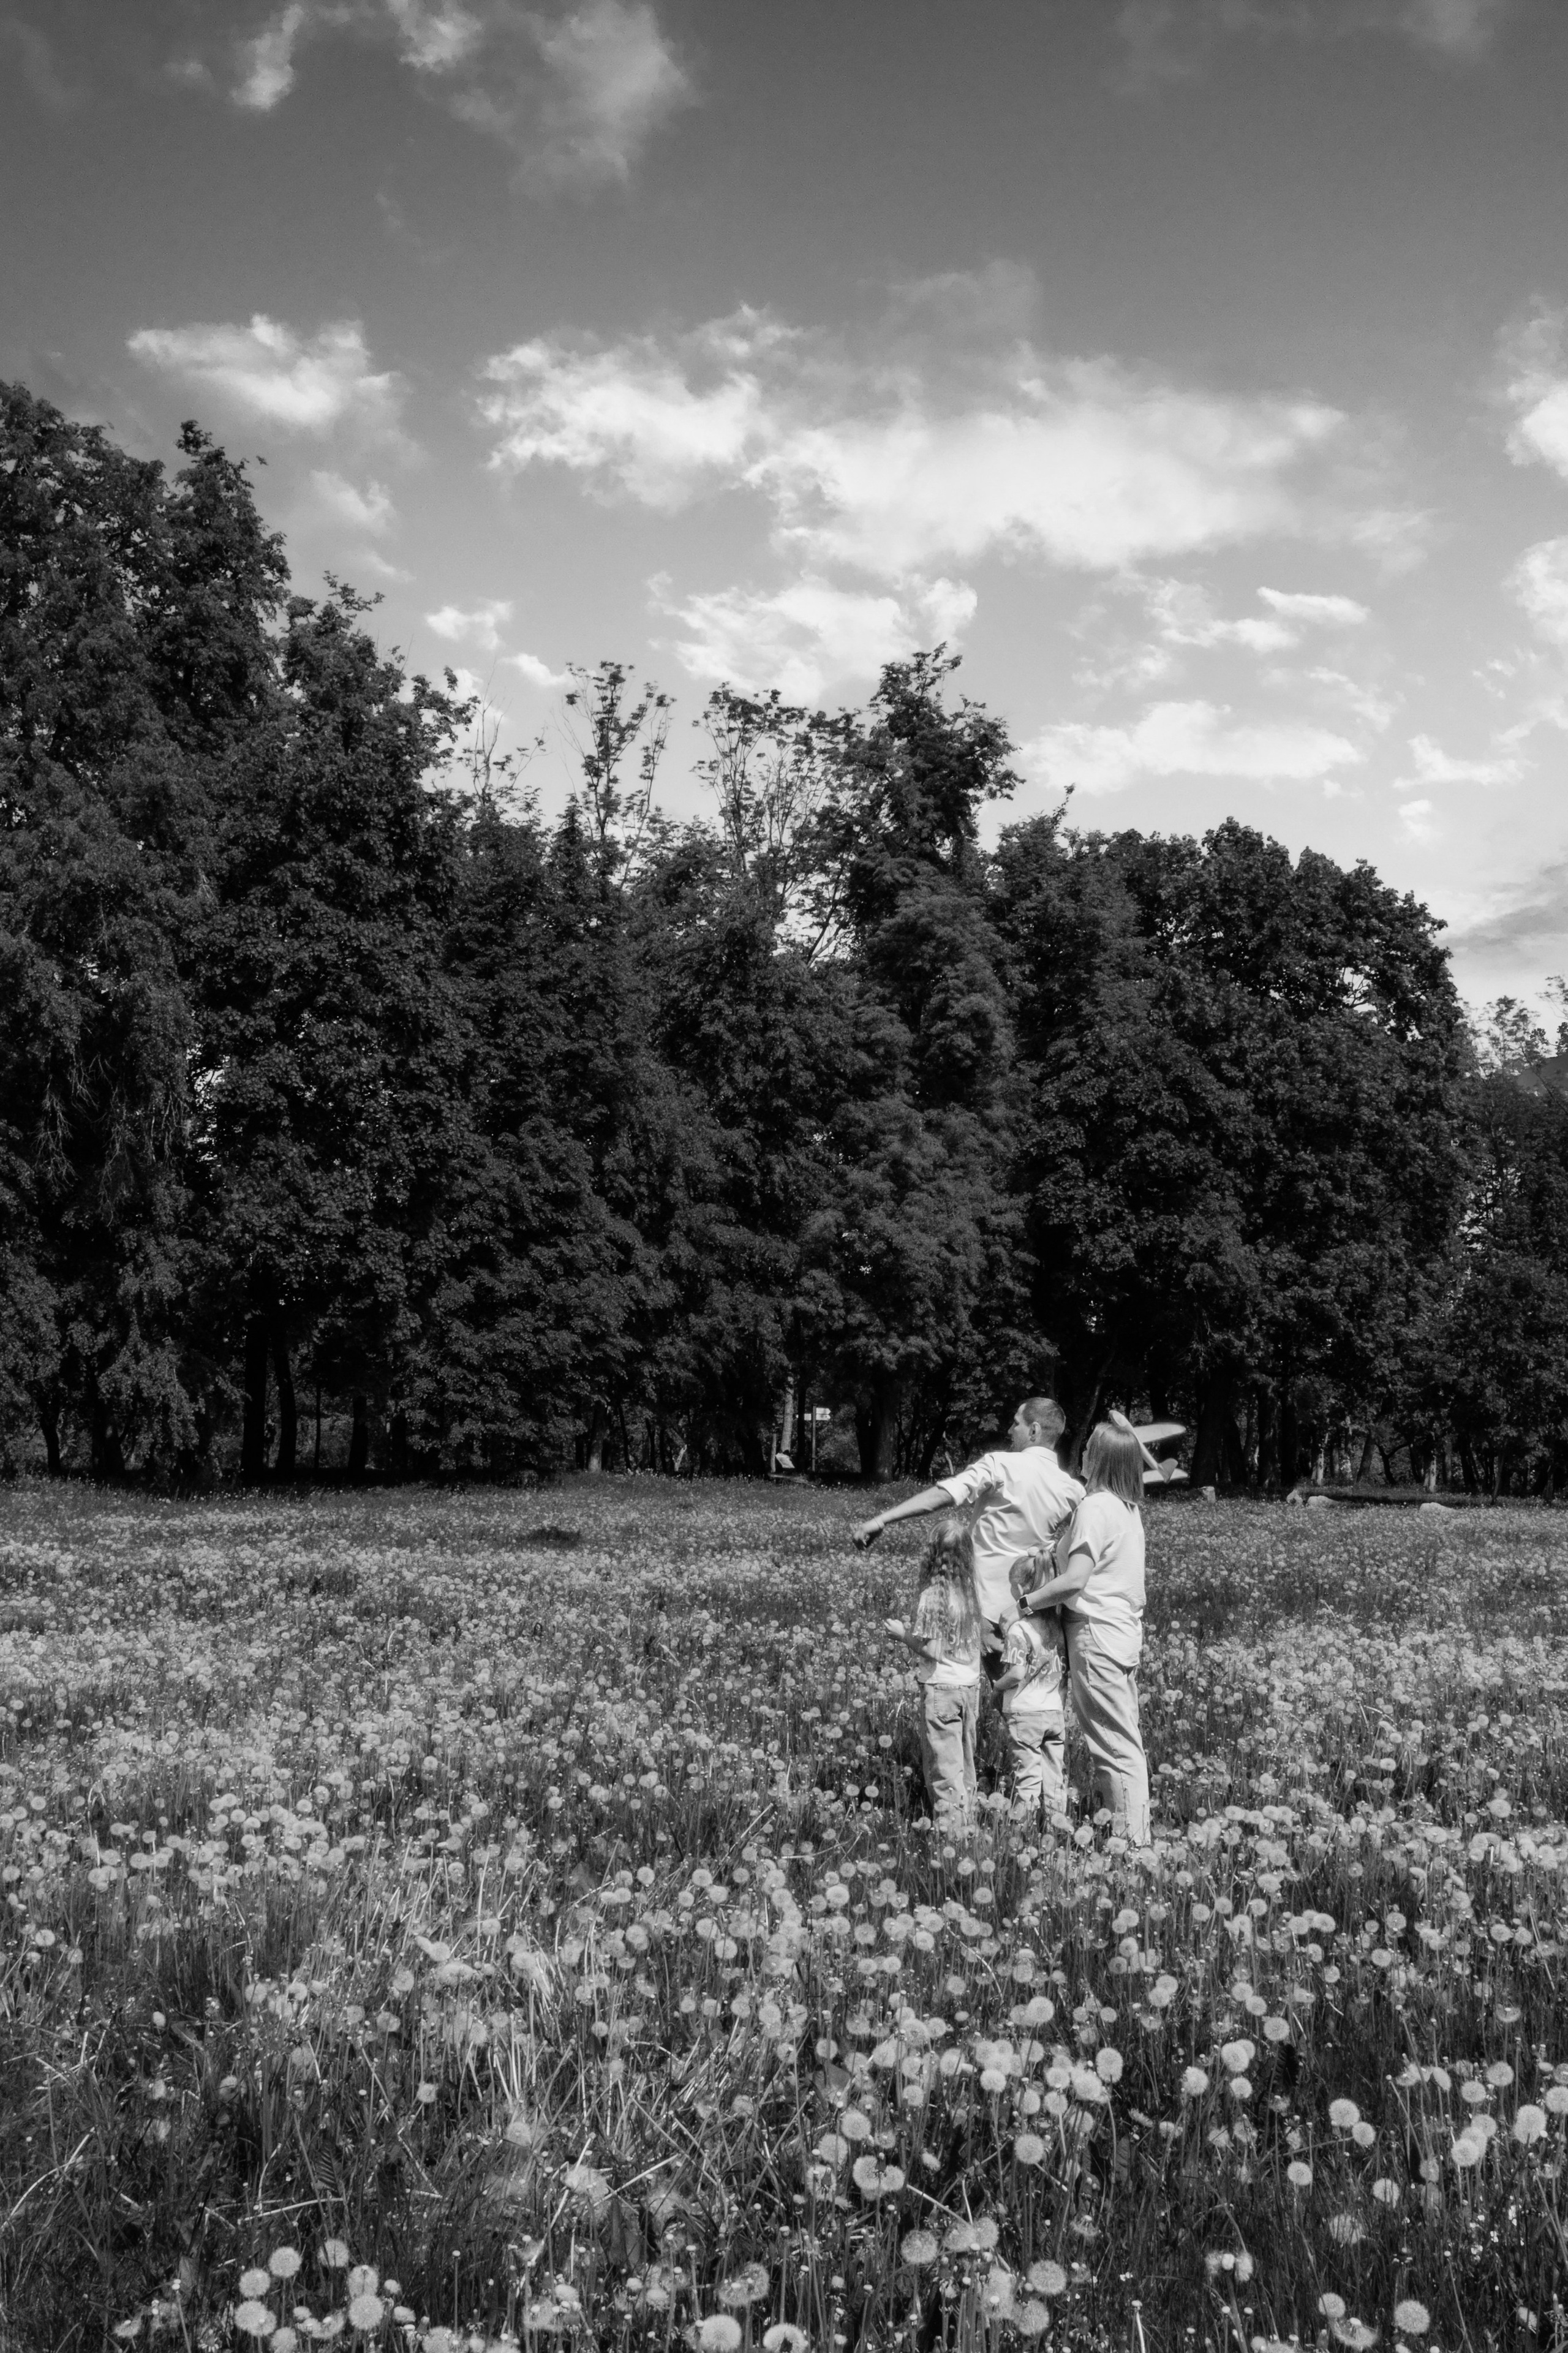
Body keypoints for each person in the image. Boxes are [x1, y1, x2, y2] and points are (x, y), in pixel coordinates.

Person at [852, 1397, 1084, 1793]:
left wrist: (882, 1519)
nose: (1009, 1429)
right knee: (1031, 1717)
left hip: (984, 1613)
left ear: (1033, 1430)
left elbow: (945, 1493)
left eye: (1016, 1422)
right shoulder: (1073, 1490)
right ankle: (1043, 1805)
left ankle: (961, 1797)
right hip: (1035, 1617)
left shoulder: (1000, 1465)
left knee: (959, 1708)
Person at [1016, 1419, 1150, 1845]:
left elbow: (1076, 1580)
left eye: (1091, 1448)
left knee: (1113, 1746)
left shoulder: (1096, 1507)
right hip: (1122, 1633)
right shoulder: (1128, 1509)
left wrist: (1025, 1604)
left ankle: (1133, 1845)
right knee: (1124, 1739)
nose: (1085, 1453)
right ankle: (1135, 1835)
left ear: (1103, 1458)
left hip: (1096, 1634)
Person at [883, 1513, 982, 1824]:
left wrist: (902, 1635)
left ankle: (952, 1834)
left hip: (941, 1689)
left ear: (932, 1556)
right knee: (965, 1763)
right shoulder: (972, 1594)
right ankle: (968, 1827)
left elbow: (933, 1652)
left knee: (944, 1768)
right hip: (970, 1687)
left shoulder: (933, 1597)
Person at [993, 1554, 1068, 1819]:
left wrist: (997, 1686)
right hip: (1054, 1711)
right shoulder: (1059, 1628)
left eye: (1011, 1586)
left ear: (1020, 1589)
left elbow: (1016, 1673)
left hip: (1025, 1714)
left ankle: (1024, 1831)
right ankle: (1057, 1827)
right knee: (1055, 1778)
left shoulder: (1019, 1629)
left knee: (1027, 1779)